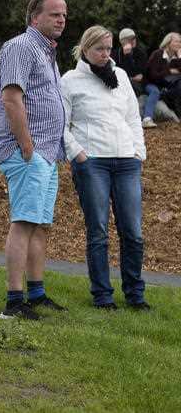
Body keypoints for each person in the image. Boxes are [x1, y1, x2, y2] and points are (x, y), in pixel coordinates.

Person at [0, 0, 69, 320]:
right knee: (24, 223)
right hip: (28, 151)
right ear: (35, 18)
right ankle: (14, 301)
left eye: (64, 14)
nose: (62, 19)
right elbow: (12, 98)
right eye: (54, 14)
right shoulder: (20, 47)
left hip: (47, 154)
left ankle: (36, 293)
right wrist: (26, 145)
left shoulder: (47, 54)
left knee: (41, 227)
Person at [61, 25, 148, 310]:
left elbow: (133, 118)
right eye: (99, 49)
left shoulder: (121, 76)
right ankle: (103, 296)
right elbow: (61, 125)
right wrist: (78, 154)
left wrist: (138, 152)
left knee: (133, 232)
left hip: (126, 161)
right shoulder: (70, 80)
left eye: (108, 48)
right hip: (92, 163)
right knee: (98, 231)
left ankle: (135, 295)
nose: (105, 54)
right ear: (85, 49)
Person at [144, 32, 181, 127]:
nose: (179, 44)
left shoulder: (176, 56)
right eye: (176, 41)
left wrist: (180, 57)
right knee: (155, 92)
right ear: (168, 43)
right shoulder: (157, 54)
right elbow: (153, 75)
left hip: (165, 86)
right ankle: (147, 119)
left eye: (180, 42)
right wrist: (169, 71)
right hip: (150, 83)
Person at [112, 28, 147, 97]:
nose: (133, 40)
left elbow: (138, 72)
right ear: (122, 41)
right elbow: (119, 72)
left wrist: (128, 56)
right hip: (120, 83)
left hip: (136, 86)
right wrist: (127, 56)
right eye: (129, 38)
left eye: (134, 38)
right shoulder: (116, 53)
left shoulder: (140, 53)